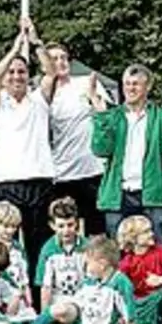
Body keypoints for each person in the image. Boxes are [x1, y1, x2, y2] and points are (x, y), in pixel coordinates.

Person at [0, 21, 57, 271]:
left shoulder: (38, 101)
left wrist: (36, 43)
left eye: (22, 72)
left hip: (39, 182)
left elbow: (50, 74)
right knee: (4, 250)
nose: (17, 76)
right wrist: (14, 51)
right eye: (12, 73)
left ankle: (38, 302)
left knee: (39, 247)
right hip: (7, 184)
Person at [91, 64, 162, 245]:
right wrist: (101, 116)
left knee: (155, 249)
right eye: (127, 84)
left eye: (135, 84)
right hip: (117, 194)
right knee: (117, 252)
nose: (130, 89)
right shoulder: (113, 116)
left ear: (148, 86)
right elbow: (100, 150)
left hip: (151, 194)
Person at [33, 30, 106, 235]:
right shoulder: (42, 94)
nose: (61, 62)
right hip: (61, 172)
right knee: (62, 230)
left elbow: (106, 116)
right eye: (54, 58)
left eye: (64, 57)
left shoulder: (86, 83)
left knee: (96, 231)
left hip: (92, 169)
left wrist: (95, 100)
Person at [30, 235, 137, 324]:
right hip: (80, 312)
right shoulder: (91, 278)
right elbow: (80, 298)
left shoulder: (120, 282)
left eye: (88, 263)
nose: (86, 267)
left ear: (102, 264)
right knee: (60, 309)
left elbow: (128, 311)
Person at [36, 197, 87, 312]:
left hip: (82, 298)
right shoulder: (48, 250)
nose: (66, 230)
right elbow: (45, 287)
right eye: (61, 226)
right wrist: (45, 314)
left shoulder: (86, 247)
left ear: (77, 223)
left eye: (70, 225)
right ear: (52, 225)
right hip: (58, 300)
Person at [0, 201, 32, 308]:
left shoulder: (18, 248)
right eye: (6, 226)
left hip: (17, 295)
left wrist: (28, 297)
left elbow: (23, 275)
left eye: (14, 227)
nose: (10, 231)